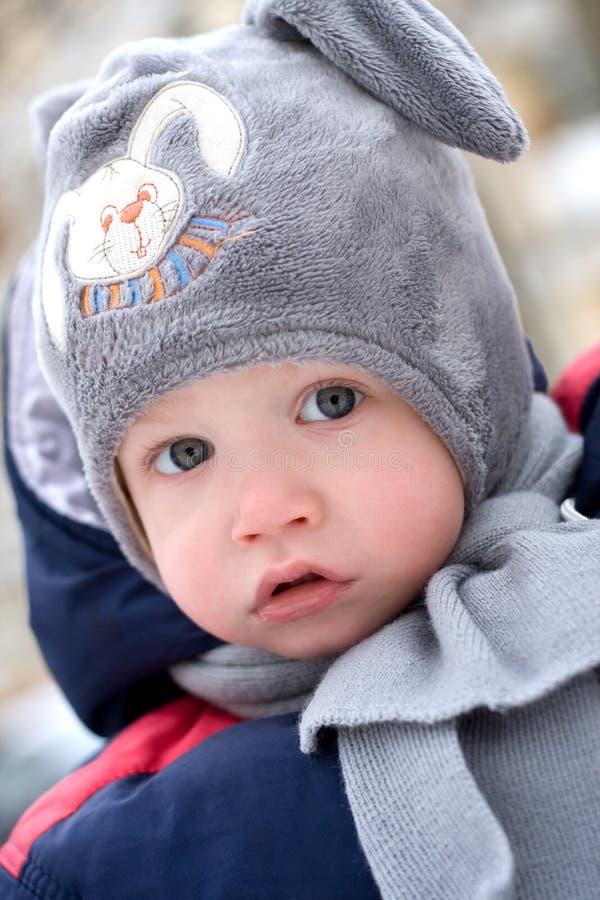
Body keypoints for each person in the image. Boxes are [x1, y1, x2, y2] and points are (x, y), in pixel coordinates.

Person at [2, 0, 600, 897]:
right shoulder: (123, 858)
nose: (265, 511)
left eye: (331, 401)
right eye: (184, 456)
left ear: (462, 368)